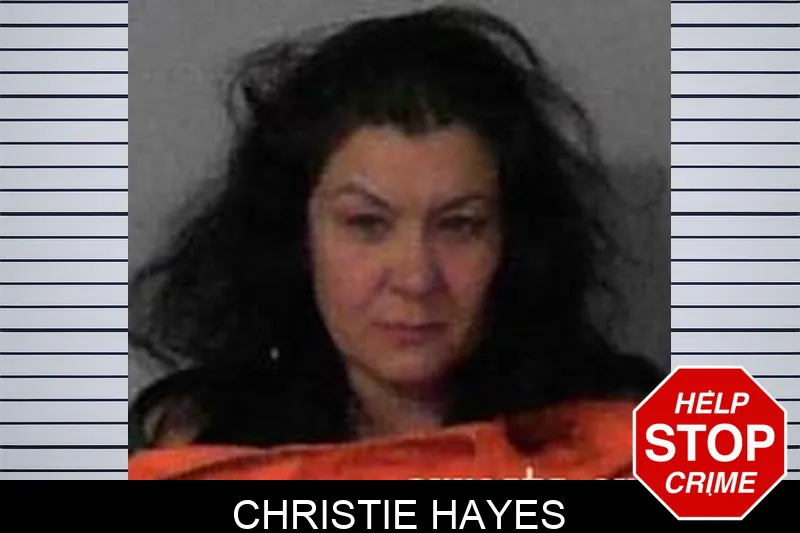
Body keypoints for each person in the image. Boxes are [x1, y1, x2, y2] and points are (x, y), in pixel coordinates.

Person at [127, 4, 665, 480]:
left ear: (515, 238)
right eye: (366, 224)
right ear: (297, 235)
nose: (415, 277)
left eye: (460, 225)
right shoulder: (198, 442)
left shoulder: (633, 433)